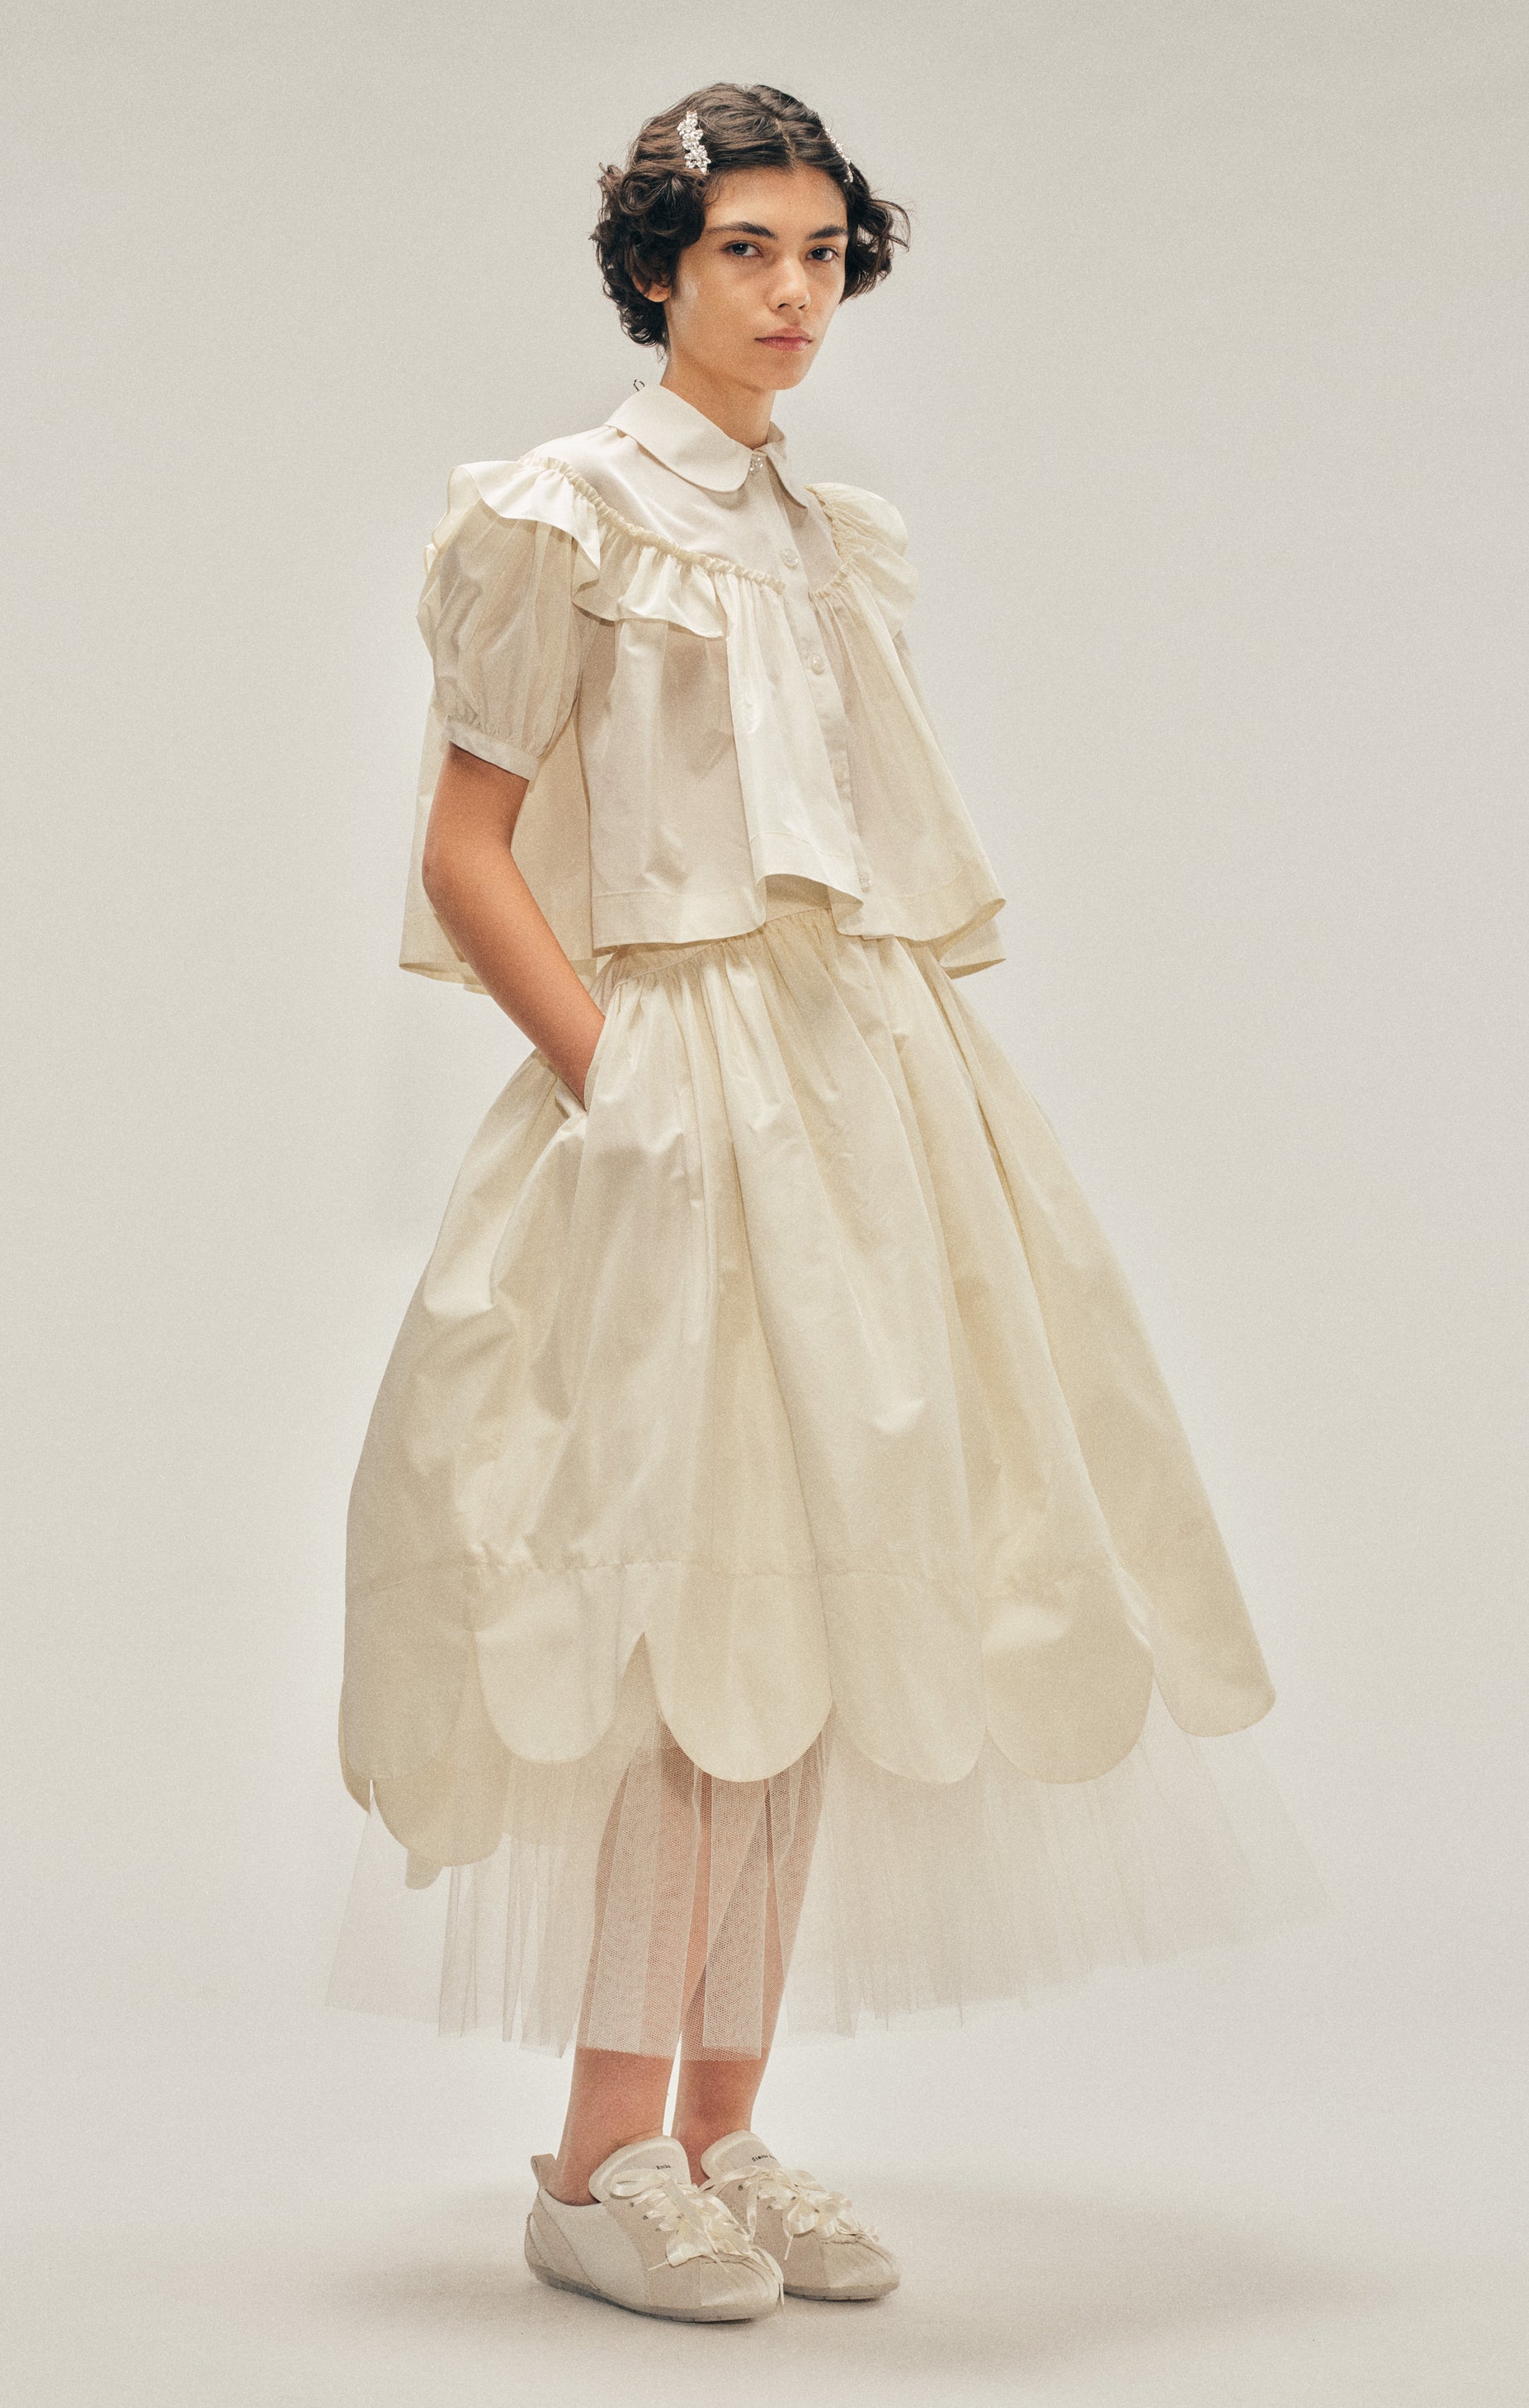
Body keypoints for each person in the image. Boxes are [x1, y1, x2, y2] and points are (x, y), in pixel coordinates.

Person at [329, 82, 1321, 2324]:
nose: (791, 295)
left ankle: (719, 2125)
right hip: (680, 1103)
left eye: (817, 253)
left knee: (823, 1617)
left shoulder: (820, 533)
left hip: (862, 1099)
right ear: (654, 272)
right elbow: (468, 853)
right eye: (741, 252)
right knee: (689, 1631)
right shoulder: (565, 515)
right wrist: (621, 1084)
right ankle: (597, 2157)